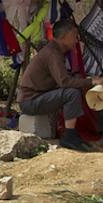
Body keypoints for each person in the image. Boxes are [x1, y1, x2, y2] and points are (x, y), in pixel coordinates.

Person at [13, 14, 97, 150]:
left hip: (36, 97)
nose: (77, 40)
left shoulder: (55, 51)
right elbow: (64, 82)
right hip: (30, 100)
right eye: (74, 36)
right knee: (71, 93)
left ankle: (72, 133)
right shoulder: (53, 53)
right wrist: (92, 81)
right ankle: (69, 135)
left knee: (75, 89)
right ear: (64, 36)